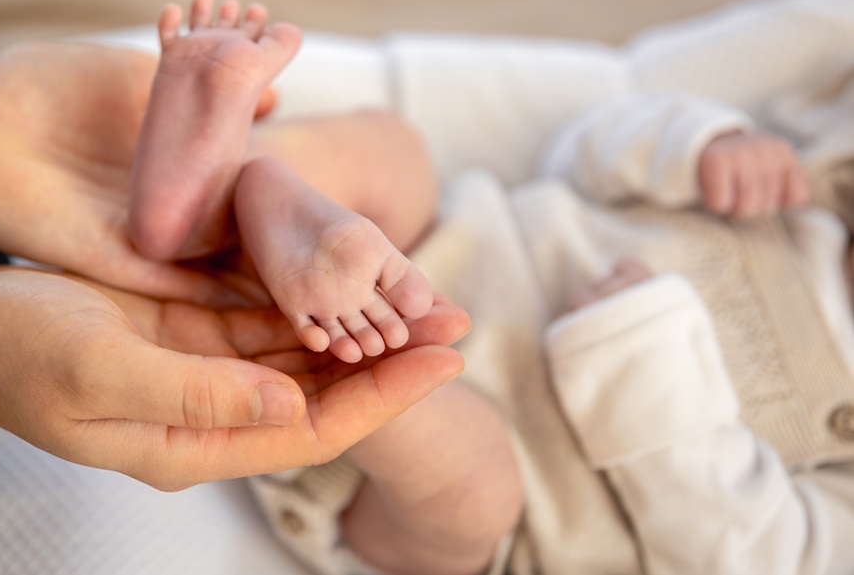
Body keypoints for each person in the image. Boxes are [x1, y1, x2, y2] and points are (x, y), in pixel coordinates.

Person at [0, 0, 470, 574]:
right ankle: (245, 194)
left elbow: (429, 548)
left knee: (472, 495)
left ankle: (226, 199)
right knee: (392, 151)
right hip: (443, 259)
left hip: (427, 347)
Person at [251, 74, 854, 575]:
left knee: (471, 490)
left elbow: (755, 558)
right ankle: (230, 183)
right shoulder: (797, 184)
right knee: (393, 150)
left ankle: (321, 359)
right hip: (426, 254)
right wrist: (695, 145)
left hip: (498, 477)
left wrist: (645, 358)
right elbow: (577, 157)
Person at [128, 0, 436, 363]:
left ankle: (230, 190)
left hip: (288, 218)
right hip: (312, 278)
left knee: (392, 144)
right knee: (394, 151)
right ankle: (242, 191)